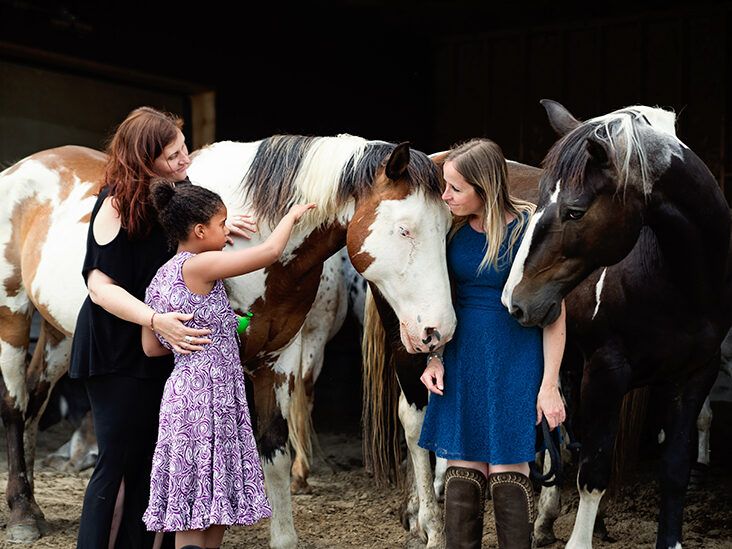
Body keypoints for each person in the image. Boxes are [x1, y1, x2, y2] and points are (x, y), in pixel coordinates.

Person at [68, 106, 255, 549]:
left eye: (184, 148)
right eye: (173, 155)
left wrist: (224, 230)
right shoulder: (115, 203)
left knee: (158, 463)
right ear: (143, 157)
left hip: (165, 348)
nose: (184, 160)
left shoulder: (179, 190)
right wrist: (155, 320)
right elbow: (98, 285)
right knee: (117, 461)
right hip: (118, 346)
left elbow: (193, 241)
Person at [140, 181, 315, 549]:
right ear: (199, 231)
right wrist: (292, 216)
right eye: (222, 224)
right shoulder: (201, 265)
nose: (227, 231)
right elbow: (269, 252)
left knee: (204, 499)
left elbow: (152, 347)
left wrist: (216, 327)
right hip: (211, 397)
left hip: (185, 393)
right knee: (207, 504)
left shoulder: (160, 277)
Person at [417, 138, 566, 549]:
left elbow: (555, 316)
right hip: (462, 358)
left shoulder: (531, 229)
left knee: (507, 467)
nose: (445, 196)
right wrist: (434, 358)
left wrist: (549, 385)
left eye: (455, 188)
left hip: (516, 361)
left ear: (484, 187)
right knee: (462, 468)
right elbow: (438, 302)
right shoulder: (450, 230)